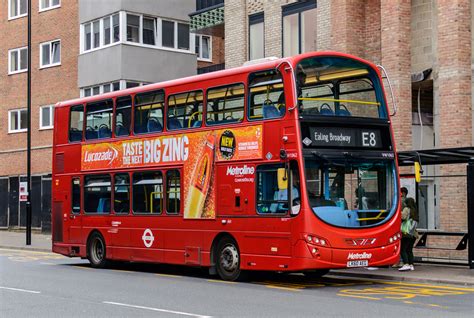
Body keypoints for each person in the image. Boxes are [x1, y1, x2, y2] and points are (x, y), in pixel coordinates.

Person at [399, 197, 418, 271]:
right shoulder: (415, 211)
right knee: (409, 250)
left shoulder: (406, 209)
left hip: (406, 232)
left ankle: (406, 264)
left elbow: (403, 217)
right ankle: (411, 265)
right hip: (413, 233)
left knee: (402, 249)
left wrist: (400, 212)